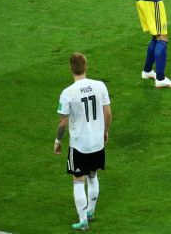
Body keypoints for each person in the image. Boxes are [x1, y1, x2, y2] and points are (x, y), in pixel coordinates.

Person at [55, 53, 111, 232]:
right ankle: (90, 212)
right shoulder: (99, 86)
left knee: (78, 182)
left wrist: (57, 140)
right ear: (86, 66)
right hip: (97, 143)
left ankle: (83, 221)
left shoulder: (67, 93)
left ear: (71, 69)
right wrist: (105, 131)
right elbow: (108, 113)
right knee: (93, 176)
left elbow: (62, 122)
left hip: (79, 145)